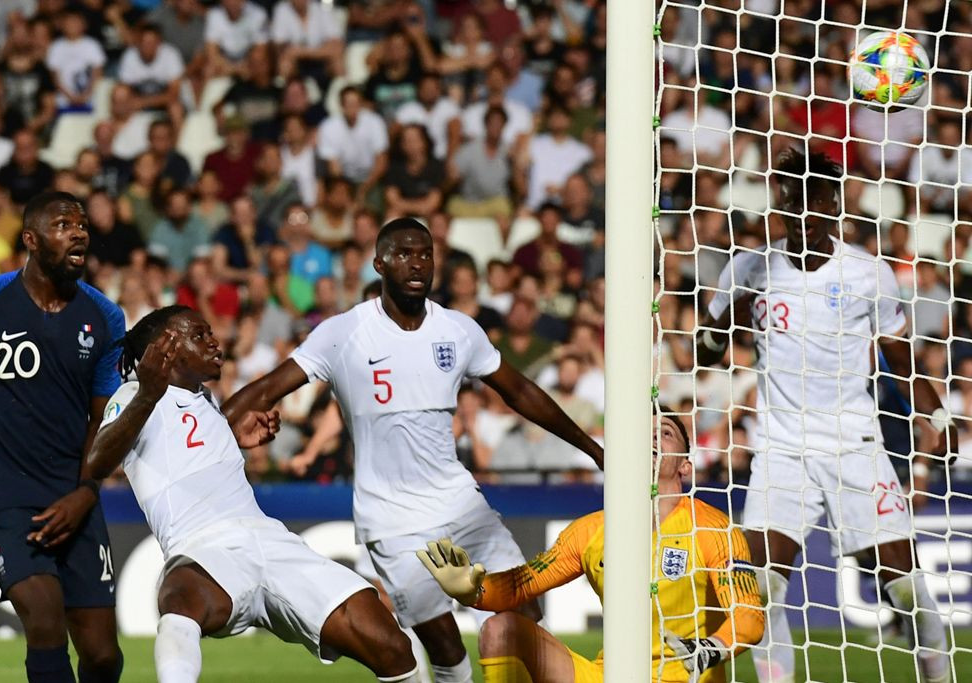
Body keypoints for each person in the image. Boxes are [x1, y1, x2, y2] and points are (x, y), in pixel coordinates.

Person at [223, 217, 604, 683]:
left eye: (425, 253)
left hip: (461, 504)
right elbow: (263, 390)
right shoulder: (343, 333)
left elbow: (520, 392)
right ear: (379, 263)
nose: (416, 262)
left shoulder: (458, 330)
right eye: (403, 253)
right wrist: (217, 437)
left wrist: (593, 448)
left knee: (524, 615)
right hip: (392, 519)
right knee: (443, 645)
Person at [696, 148, 957, 683]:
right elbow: (702, 350)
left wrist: (936, 417)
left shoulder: (868, 272)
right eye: (793, 202)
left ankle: (937, 662)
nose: (805, 214)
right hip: (781, 448)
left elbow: (898, 355)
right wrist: (727, 326)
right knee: (762, 586)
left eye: (816, 202)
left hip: (853, 445)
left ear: (835, 205)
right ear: (781, 205)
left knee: (899, 584)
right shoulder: (748, 268)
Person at [86, 306, 423, 683]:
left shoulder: (207, 400)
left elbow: (189, 448)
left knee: (389, 642)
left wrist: (231, 436)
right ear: (166, 348)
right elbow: (97, 462)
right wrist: (147, 393)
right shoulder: (133, 395)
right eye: (198, 335)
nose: (214, 341)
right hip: (204, 547)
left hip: (269, 539)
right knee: (180, 599)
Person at [418, 409, 764, 682]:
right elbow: (518, 587)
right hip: (606, 677)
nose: (653, 436)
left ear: (686, 465)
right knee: (501, 629)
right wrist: (473, 592)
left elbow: (749, 616)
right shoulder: (591, 530)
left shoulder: (713, 527)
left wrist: (711, 649)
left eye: (666, 433)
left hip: (682, 676)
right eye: (644, 431)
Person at [0, 192, 125, 682]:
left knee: (103, 654)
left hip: (76, 495)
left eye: (83, 223)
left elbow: (104, 420)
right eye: (64, 223)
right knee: (45, 625)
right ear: (31, 238)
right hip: (6, 498)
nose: (79, 232)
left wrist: (86, 492)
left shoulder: (106, 317)